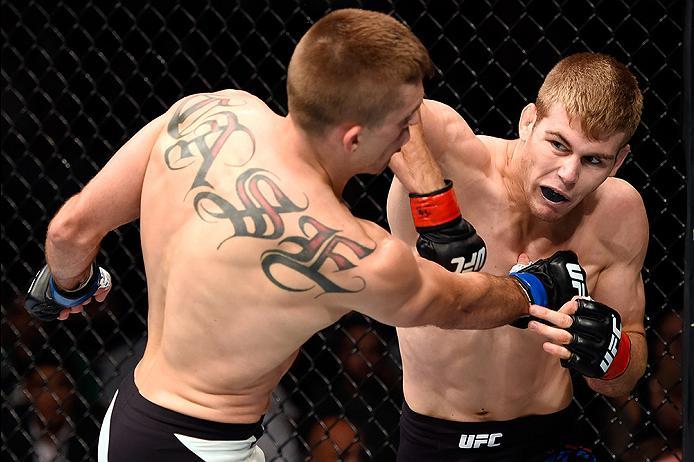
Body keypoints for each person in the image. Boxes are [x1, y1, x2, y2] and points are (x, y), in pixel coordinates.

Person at [23, 9, 585, 461]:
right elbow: (458, 306)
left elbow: (71, 229)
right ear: (354, 138)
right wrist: (537, 286)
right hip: (200, 446)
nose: (410, 137)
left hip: (131, 417)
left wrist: (70, 286)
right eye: (403, 121)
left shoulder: (207, 114)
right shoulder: (350, 251)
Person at [387, 52, 648, 461]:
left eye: (593, 160)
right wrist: (437, 209)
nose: (568, 174)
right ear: (529, 121)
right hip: (435, 439)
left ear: (618, 162)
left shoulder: (617, 214)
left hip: (546, 440)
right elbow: (389, 104)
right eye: (558, 145)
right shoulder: (457, 161)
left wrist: (612, 357)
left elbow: (625, 371)